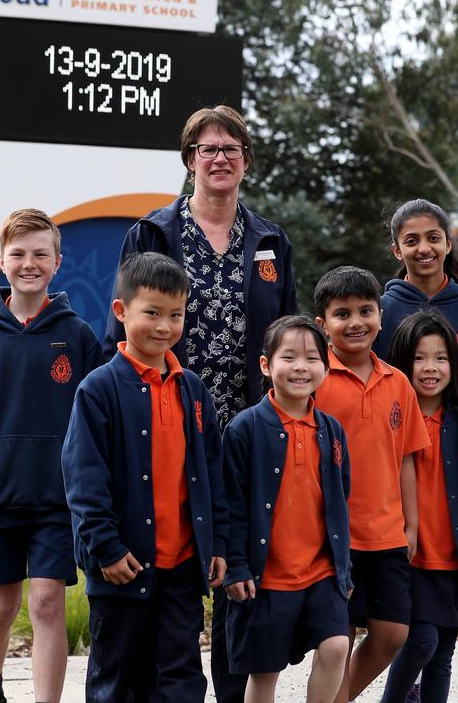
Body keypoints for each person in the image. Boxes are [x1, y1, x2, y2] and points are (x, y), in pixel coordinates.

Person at [103, 104, 297, 702]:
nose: (219, 159)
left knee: (240, 562)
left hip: (246, 428)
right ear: (189, 160)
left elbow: (287, 330)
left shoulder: (269, 241)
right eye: (208, 150)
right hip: (170, 420)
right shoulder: (153, 233)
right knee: (181, 567)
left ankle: (233, 693)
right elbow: (131, 321)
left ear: (245, 162)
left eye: (231, 150)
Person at [0, 208, 102, 703]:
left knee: (47, 603)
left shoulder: (78, 336)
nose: (29, 263)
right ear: (2, 262)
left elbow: (97, 421)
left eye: (40, 254)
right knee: (1, 607)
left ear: (57, 263)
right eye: (18, 254)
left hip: (57, 502)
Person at [62, 252, 229, 702]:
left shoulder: (193, 391)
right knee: (116, 680)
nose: (163, 326)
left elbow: (213, 476)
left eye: (175, 315)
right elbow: (84, 479)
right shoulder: (98, 389)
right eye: (151, 313)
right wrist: (107, 549)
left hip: (182, 570)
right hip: (122, 568)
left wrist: (216, 546)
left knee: (180, 681)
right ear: (121, 311)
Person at [313, 266, 430, 703]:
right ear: (323, 324)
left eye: (366, 310)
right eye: (343, 314)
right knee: (337, 640)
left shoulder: (398, 382)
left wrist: (411, 524)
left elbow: (405, 458)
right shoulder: (314, 380)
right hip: (332, 536)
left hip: (386, 533)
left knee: (393, 632)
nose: (356, 321)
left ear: (381, 316)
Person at [380, 310, 458, 703]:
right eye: (419, 358)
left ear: (454, 365)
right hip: (409, 558)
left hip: (453, 562)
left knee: (443, 656)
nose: (430, 368)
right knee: (420, 640)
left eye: (440, 358)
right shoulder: (393, 421)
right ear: (402, 362)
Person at [223, 315, 352, 703]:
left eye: (312, 358)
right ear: (266, 365)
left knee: (336, 647)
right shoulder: (244, 429)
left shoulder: (332, 431)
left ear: (326, 366)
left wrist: (343, 566)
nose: (301, 367)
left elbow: (339, 500)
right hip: (267, 578)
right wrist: (236, 565)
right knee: (265, 673)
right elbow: (230, 505)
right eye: (289, 357)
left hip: (321, 571)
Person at [374, 198, 458, 493]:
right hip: (395, 458)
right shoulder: (380, 313)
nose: (423, 248)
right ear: (397, 250)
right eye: (411, 240)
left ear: (448, 244)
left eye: (433, 238)